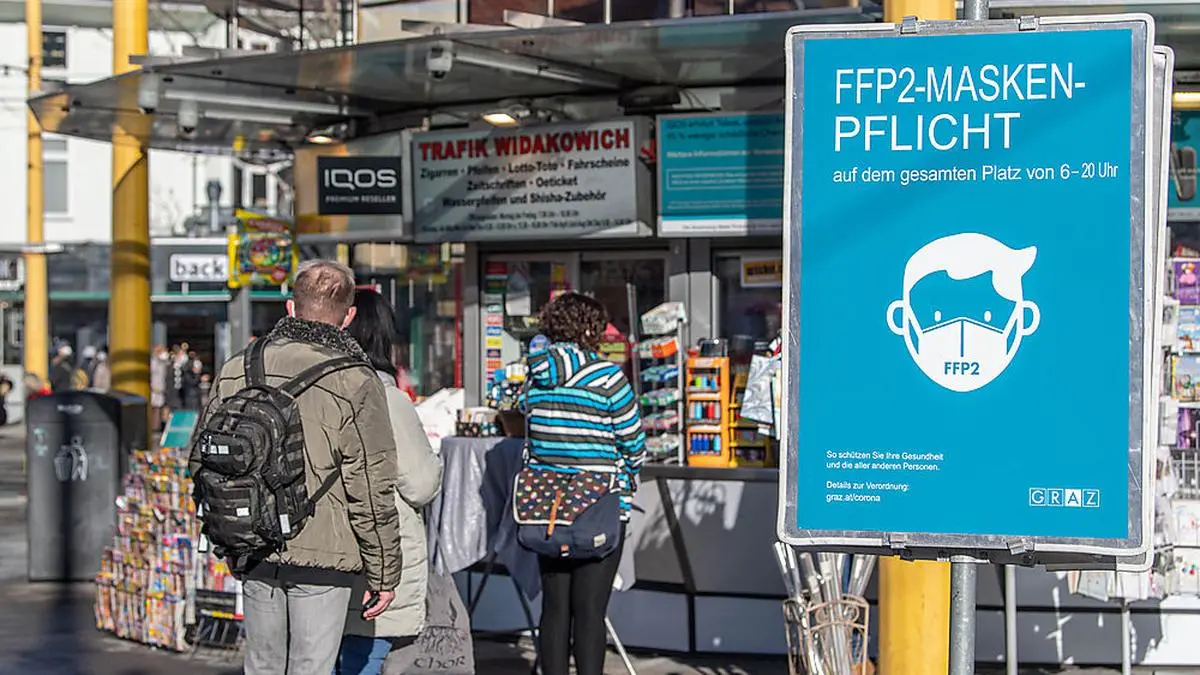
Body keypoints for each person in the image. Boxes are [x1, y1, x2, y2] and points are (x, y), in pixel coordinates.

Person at [197, 260, 404, 675]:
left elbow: (204, 458)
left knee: (262, 665)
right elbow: (370, 483)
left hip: (253, 542)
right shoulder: (356, 380)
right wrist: (384, 571)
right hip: (323, 552)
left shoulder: (238, 366)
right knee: (312, 666)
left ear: (291, 308)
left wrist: (226, 533)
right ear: (348, 317)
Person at [520, 292, 646, 675]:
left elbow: (531, 430)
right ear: (590, 329)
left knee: (554, 608)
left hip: (547, 505)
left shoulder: (536, 376)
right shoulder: (607, 377)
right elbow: (633, 442)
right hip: (601, 505)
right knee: (591, 610)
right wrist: (628, 472)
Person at [336, 290, 444, 675]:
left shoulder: (314, 392)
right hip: (373, 566)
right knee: (361, 661)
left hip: (318, 565)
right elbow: (421, 483)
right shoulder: (386, 398)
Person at [150, 345, 169, 428]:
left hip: (162, 390)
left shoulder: (164, 362)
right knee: (154, 409)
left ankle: (157, 426)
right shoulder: (153, 363)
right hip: (154, 390)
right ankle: (154, 427)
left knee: (160, 409)